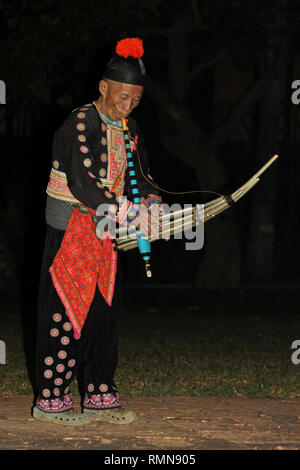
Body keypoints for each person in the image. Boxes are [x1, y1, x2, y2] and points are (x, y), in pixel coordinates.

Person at [33, 38, 163, 425]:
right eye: (123, 97)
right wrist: (126, 209)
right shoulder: (78, 123)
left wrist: (152, 204)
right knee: (65, 310)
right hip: (71, 227)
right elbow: (83, 181)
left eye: (136, 100)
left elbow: (141, 173)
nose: (128, 106)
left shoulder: (130, 127)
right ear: (104, 87)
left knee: (105, 311)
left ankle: (99, 391)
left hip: (106, 231)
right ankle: (51, 399)